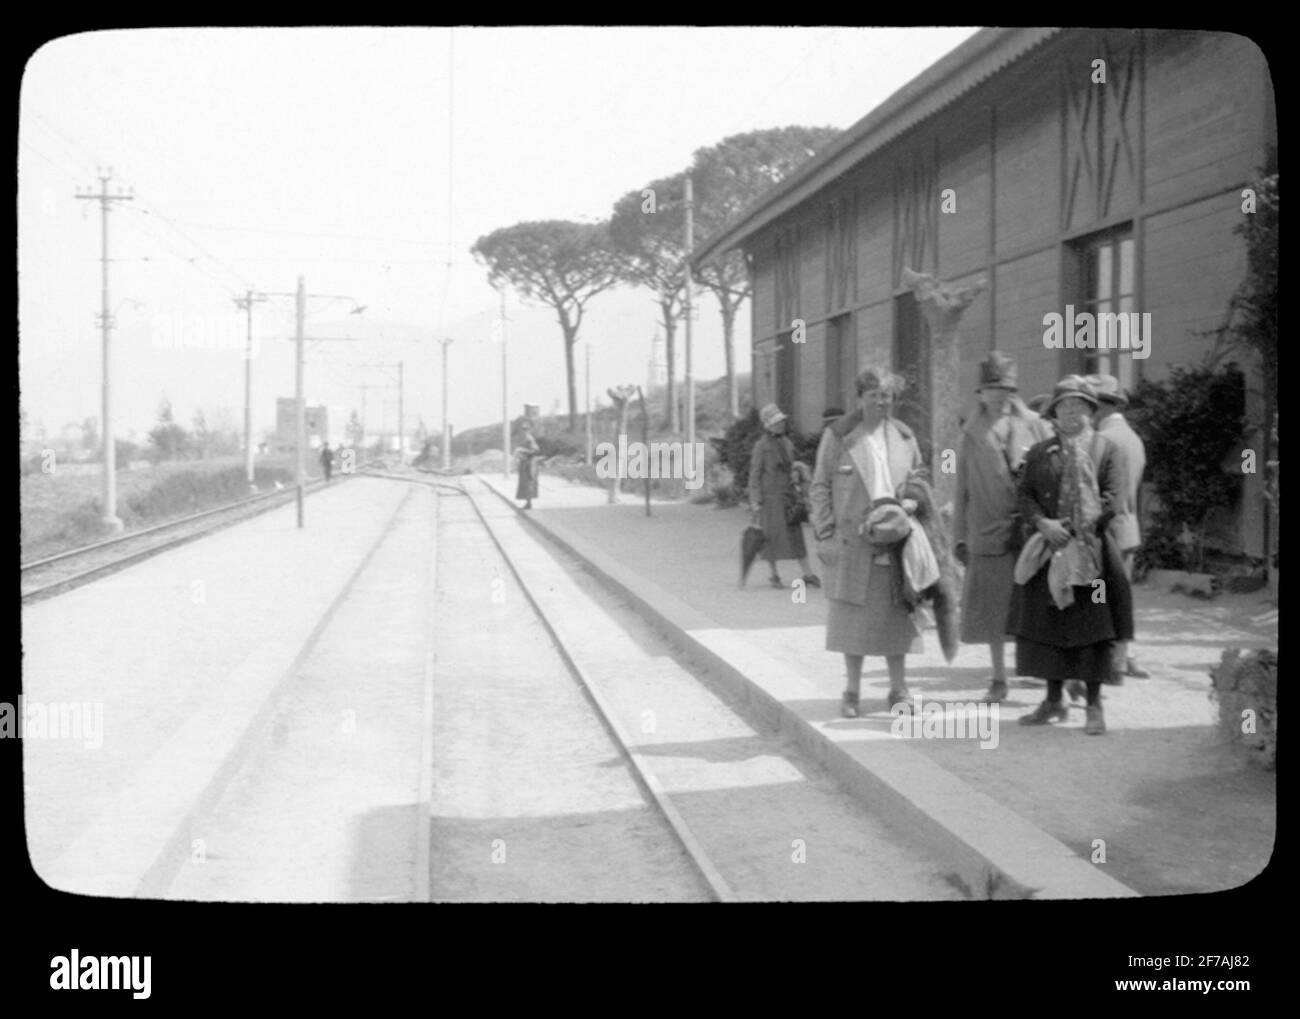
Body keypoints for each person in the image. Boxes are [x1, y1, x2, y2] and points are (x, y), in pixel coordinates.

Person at [1008, 375, 1133, 735]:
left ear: (1092, 411)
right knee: (1048, 624)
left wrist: (1083, 526)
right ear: (1054, 413)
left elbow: (1114, 496)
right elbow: (1025, 495)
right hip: (1051, 549)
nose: (1072, 412)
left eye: (1080, 406)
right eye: (1065, 406)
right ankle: (1052, 699)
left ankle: (1094, 705)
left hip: (1092, 555)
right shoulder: (1039, 453)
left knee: (1094, 624)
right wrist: (1043, 523)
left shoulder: (1106, 450)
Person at [810, 369, 929, 717]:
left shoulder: (904, 437)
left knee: (898, 615)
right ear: (859, 398)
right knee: (853, 619)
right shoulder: (839, 435)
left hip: (895, 538)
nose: (880, 401)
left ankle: (899, 689)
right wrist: (826, 532)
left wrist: (912, 502)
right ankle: (851, 691)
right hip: (851, 542)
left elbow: (920, 478)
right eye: (873, 394)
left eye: (886, 396)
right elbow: (819, 487)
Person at [954, 352, 1054, 703]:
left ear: (1015, 390)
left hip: (1032, 530)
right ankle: (998, 678)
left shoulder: (1038, 426)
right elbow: (961, 489)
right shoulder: (971, 433)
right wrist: (959, 537)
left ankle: (1046, 673)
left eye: (1006, 388)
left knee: (1038, 603)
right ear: (980, 393)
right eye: (991, 388)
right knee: (996, 609)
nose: (999, 394)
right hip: (988, 530)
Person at [1087, 373, 1149, 680]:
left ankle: (1110, 658)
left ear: (1098, 407)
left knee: (1099, 594)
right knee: (1123, 595)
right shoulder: (1134, 439)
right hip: (1129, 525)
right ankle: (1126, 654)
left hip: (1106, 529)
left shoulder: (1103, 441)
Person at [748, 403, 817, 589]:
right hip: (769, 499)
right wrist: (755, 500)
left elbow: (792, 465)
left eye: (782, 421)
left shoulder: (787, 443)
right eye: (777, 422)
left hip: (788, 497)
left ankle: (808, 574)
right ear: (768, 425)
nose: (781, 425)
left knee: (796, 537)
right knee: (771, 538)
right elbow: (754, 474)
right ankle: (774, 575)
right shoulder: (761, 446)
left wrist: (798, 474)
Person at [515, 418, 541, 510]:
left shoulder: (529, 438)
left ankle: (529, 503)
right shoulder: (525, 438)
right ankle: (528, 502)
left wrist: (523, 451)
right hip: (525, 462)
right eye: (523, 428)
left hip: (530, 463)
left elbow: (536, 450)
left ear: (529, 429)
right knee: (525, 483)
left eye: (526, 428)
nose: (524, 430)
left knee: (529, 483)